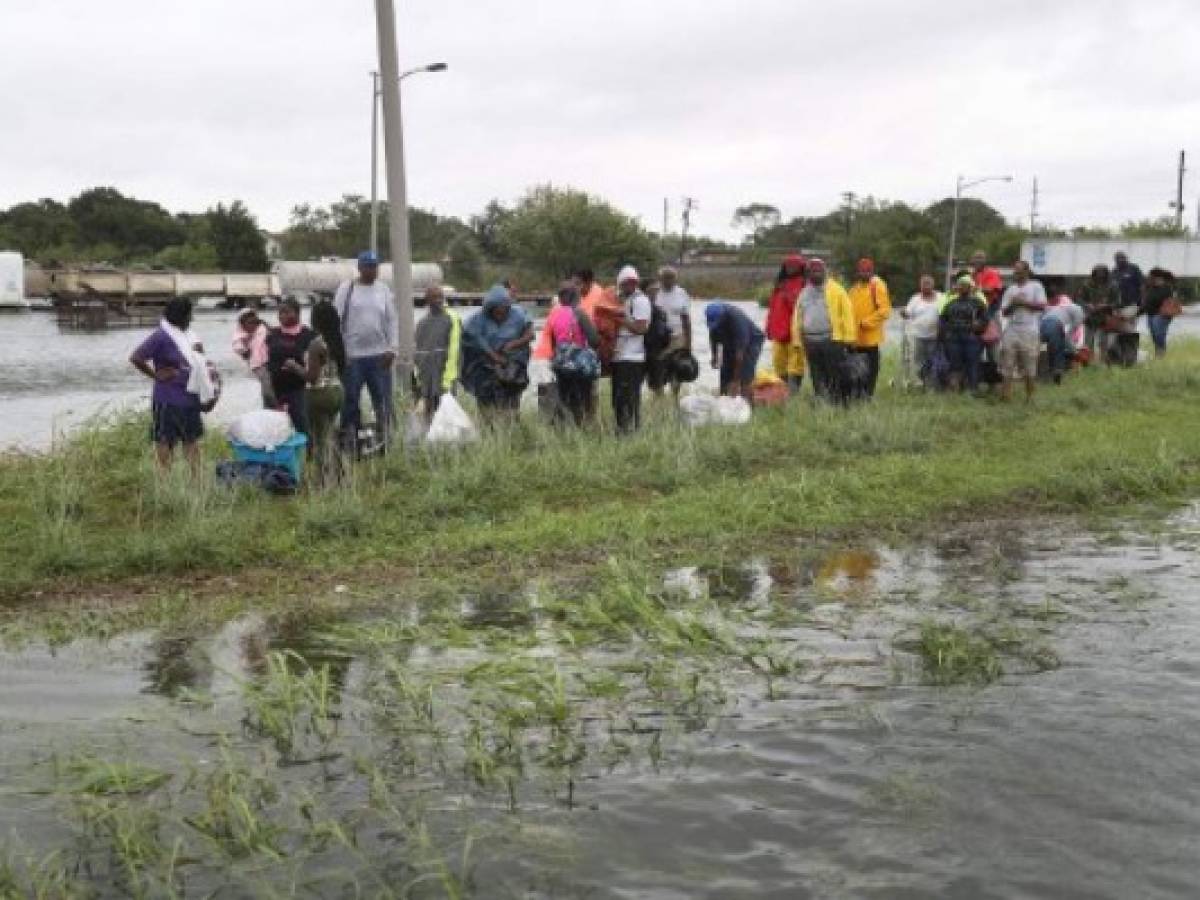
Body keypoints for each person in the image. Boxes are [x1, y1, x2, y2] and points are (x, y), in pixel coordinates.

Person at [129, 297, 215, 473]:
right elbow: (136, 357)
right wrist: (155, 375)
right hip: (168, 399)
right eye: (189, 314)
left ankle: (196, 480)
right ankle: (164, 480)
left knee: (191, 439)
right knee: (165, 441)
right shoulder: (161, 336)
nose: (191, 318)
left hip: (191, 398)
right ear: (180, 316)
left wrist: (200, 353)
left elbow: (201, 362)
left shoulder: (190, 336)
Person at [334, 251, 398, 447]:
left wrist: (392, 349)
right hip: (352, 357)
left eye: (375, 266)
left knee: (383, 400)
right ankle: (349, 441)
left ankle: (387, 440)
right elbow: (335, 320)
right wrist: (340, 353)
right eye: (368, 266)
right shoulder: (347, 288)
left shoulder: (383, 290)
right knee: (350, 401)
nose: (372, 270)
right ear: (360, 268)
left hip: (379, 357)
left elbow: (391, 320)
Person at [460, 284, 534, 416]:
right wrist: (495, 357)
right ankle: (487, 424)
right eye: (497, 312)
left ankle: (511, 423)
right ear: (490, 310)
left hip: (513, 362)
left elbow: (530, 335)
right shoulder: (478, 319)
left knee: (511, 398)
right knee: (487, 399)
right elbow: (477, 341)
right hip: (486, 365)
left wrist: (514, 344)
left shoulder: (518, 314)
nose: (500, 315)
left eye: (504, 311)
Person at [790, 259, 857, 404]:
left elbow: (848, 314)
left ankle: (838, 402)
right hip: (810, 342)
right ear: (808, 273)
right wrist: (796, 340)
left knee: (834, 373)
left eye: (819, 271)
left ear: (825, 271)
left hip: (832, 340)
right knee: (816, 374)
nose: (816, 274)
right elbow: (797, 317)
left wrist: (849, 338)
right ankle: (821, 401)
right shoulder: (803, 293)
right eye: (813, 271)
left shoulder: (837, 290)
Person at [545, 281, 601, 426]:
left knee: (566, 399)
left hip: (561, 365)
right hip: (579, 365)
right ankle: (583, 429)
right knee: (584, 400)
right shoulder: (580, 313)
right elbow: (594, 340)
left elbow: (553, 343)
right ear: (575, 296)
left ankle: (566, 431)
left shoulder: (554, 315)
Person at [304, 299, 346, 476]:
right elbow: (343, 367)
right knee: (330, 432)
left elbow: (312, 378)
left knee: (319, 437)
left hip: (319, 394)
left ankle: (323, 476)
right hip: (337, 391)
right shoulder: (337, 341)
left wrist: (295, 367)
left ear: (316, 320)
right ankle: (340, 471)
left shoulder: (316, 344)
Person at [265, 298, 316, 436]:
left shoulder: (308, 335)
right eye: (280, 312)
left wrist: (295, 366)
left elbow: (313, 364)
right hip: (274, 389)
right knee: (273, 429)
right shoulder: (272, 334)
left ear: (297, 313)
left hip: (298, 389)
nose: (282, 316)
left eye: (286, 312)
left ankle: (307, 453)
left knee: (301, 425)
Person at [998, 260, 1048, 402]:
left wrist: (1023, 303)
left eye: (1019, 271)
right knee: (1007, 362)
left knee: (1029, 363)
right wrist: (1013, 304)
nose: (1016, 274)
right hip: (1012, 328)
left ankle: (1030, 396)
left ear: (1026, 272)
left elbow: (1042, 306)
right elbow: (1004, 312)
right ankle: (1005, 396)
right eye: (1015, 271)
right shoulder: (1010, 289)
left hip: (1029, 329)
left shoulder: (1036, 286)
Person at [611, 265, 652, 433]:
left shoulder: (640, 301)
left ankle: (631, 431)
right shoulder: (623, 299)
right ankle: (622, 429)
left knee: (629, 397)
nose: (628, 286)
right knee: (618, 398)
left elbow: (641, 328)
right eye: (625, 283)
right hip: (620, 357)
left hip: (632, 358)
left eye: (631, 283)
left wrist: (621, 320)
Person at [413, 285, 461, 420]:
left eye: (441, 297)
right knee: (427, 415)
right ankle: (428, 439)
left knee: (447, 416)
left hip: (445, 377)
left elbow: (455, 350)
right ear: (427, 300)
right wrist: (419, 381)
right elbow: (418, 353)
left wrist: (448, 380)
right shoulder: (421, 324)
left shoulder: (452, 318)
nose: (439, 300)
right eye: (435, 297)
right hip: (426, 379)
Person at [847, 258, 891, 398]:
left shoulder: (878, 286)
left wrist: (865, 322)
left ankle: (867, 397)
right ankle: (856, 396)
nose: (864, 273)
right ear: (857, 272)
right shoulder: (854, 289)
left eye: (867, 270)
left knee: (870, 372)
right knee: (855, 371)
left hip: (870, 340)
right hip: (854, 340)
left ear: (872, 271)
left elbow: (884, 310)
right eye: (861, 270)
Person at [647, 266, 693, 397]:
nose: (668, 281)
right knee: (657, 369)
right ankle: (659, 398)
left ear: (675, 279)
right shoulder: (653, 292)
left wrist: (688, 344)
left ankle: (674, 398)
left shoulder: (682, 293)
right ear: (660, 278)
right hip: (658, 340)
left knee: (677, 369)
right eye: (665, 278)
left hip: (677, 338)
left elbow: (686, 320)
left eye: (671, 278)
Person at [764, 255, 807, 392]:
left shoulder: (804, 284)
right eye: (787, 266)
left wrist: (790, 296)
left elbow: (801, 308)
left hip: (795, 334)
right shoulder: (779, 284)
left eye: (793, 266)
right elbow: (772, 307)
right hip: (778, 332)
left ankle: (793, 393)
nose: (790, 269)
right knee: (778, 365)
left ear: (800, 268)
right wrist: (768, 327)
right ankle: (782, 393)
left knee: (795, 366)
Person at [938, 275, 988, 393]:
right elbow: (942, 319)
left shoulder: (978, 302)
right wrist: (945, 334)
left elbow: (985, 319)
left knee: (972, 363)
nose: (961, 287)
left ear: (970, 287)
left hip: (972, 337)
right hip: (953, 338)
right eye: (959, 285)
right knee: (955, 364)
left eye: (964, 285)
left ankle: (972, 390)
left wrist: (979, 325)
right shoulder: (951, 302)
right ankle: (955, 389)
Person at [706, 303, 764, 400]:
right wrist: (714, 356)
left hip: (752, 340)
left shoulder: (737, 320)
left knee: (745, 374)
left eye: (717, 322)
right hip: (731, 339)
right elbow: (713, 338)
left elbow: (740, 355)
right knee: (725, 371)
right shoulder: (714, 320)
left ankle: (748, 405)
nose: (715, 325)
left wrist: (735, 380)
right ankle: (724, 401)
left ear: (723, 316)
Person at [902, 275, 945, 389]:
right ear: (920, 286)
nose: (926, 286)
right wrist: (904, 313)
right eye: (923, 284)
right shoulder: (915, 298)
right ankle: (922, 381)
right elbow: (908, 313)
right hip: (918, 335)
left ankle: (932, 383)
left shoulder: (941, 297)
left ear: (933, 285)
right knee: (919, 360)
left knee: (933, 359)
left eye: (928, 284)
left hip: (935, 335)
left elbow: (945, 313)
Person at [1076, 264, 1120, 361]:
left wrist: (1106, 305)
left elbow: (1117, 302)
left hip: (1105, 317)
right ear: (1094, 274)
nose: (1100, 278)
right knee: (1088, 342)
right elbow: (1079, 299)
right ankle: (1087, 362)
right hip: (1090, 317)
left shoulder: (1113, 285)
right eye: (1098, 276)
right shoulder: (1086, 284)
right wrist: (1087, 305)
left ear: (1106, 275)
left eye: (1102, 276)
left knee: (1103, 342)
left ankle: (1103, 361)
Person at [1042, 285, 1086, 382]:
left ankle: (1053, 371)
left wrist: (1071, 335)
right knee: (1057, 348)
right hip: (1054, 326)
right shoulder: (1046, 306)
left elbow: (1075, 323)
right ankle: (1057, 371)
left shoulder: (1064, 305)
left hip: (1049, 326)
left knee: (1055, 346)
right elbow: (1067, 335)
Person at [232, 309, 272, 405]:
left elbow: (271, 335)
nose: (252, 325)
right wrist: (245, 349)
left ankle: (270, 403)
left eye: (255, 322)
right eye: (249, 323)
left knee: (271, 382)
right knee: (266, 382)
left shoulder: (261, 329)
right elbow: (239, 348)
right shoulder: (240, 335)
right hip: (257, 364)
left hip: (269, 360)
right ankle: (269, 402)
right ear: (242, 324)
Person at [1143, 268, 1178, 358]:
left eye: (1150, 276)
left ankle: (1161, 354)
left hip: (1161, 315)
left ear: (1157, 277)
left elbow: (1161, 299)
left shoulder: (1167, 288)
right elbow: (1146, 299)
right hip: (1150, 314)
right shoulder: (1151, 287)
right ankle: (1158, 353)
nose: (1149, 278)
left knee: (1159, 335)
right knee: (1154, 335)